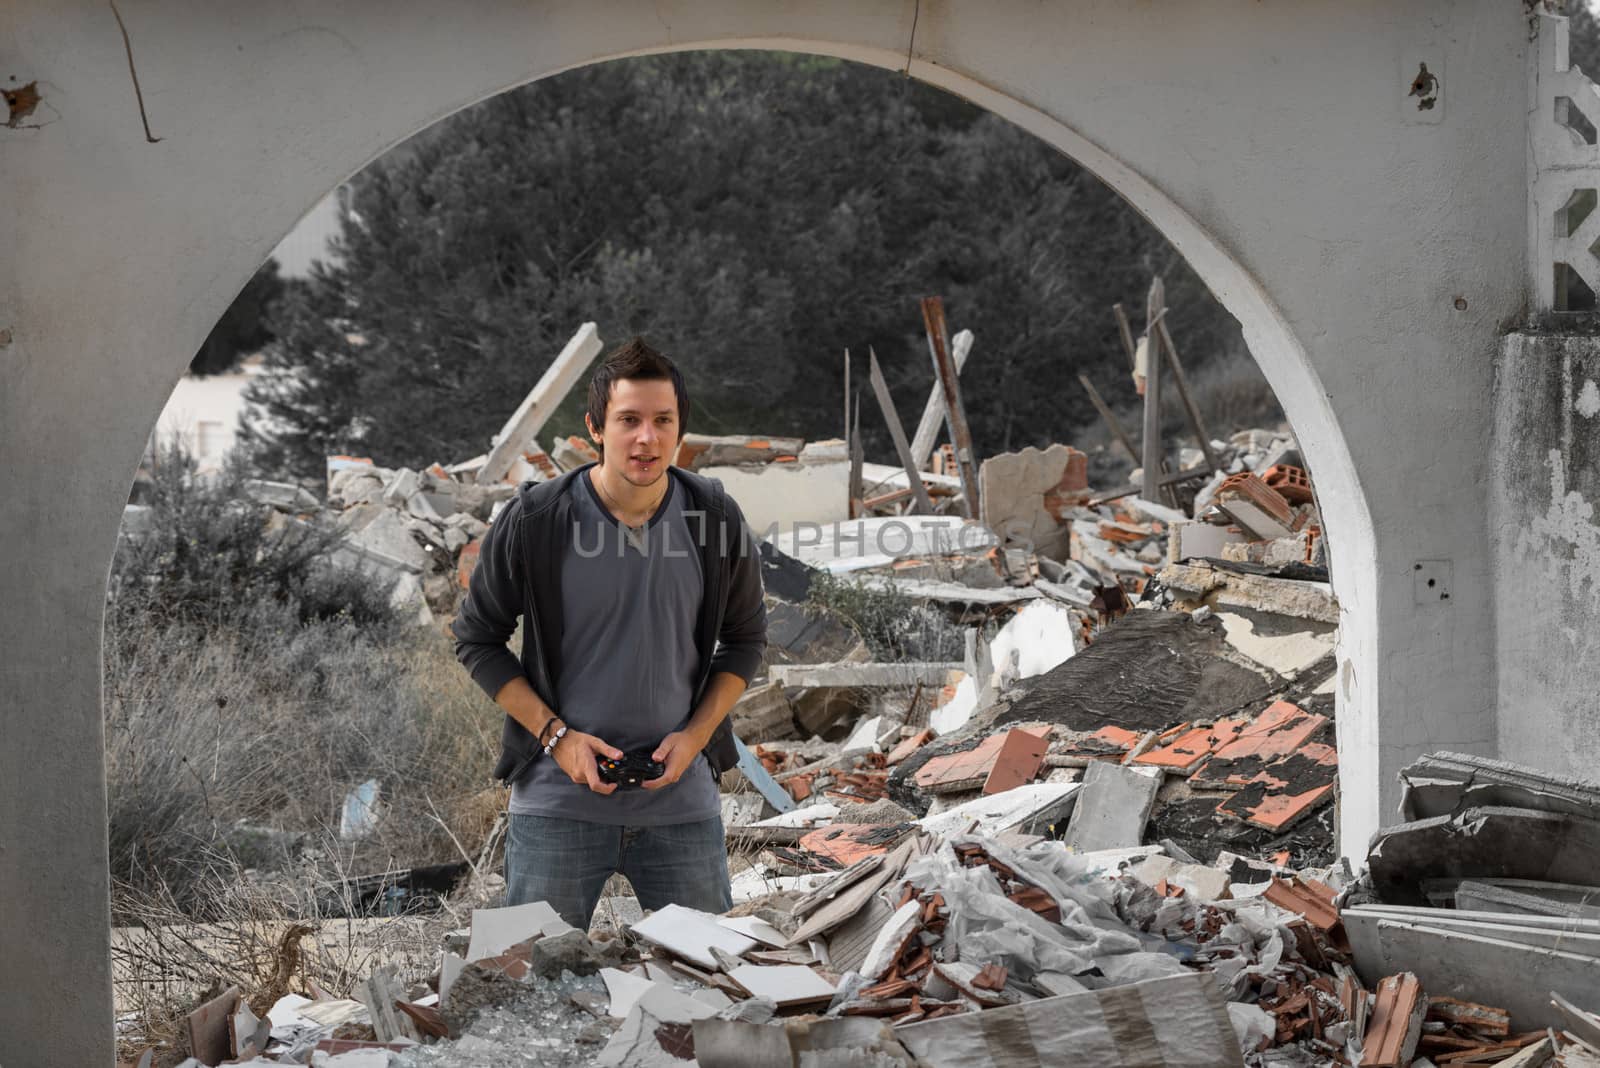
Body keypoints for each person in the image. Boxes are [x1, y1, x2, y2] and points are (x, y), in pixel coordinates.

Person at [452, 337, 767, 930]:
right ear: (596, 428)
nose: (646, 438)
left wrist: (696, 738)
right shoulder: (537, 520)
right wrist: (556, 738)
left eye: (662, 421)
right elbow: (477, 640)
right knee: (529, 993)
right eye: (628, 420)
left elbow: (745, 641)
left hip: (682, 810)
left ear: (681, 429)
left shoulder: (715, 519)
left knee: (709, 992)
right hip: (556, 806)